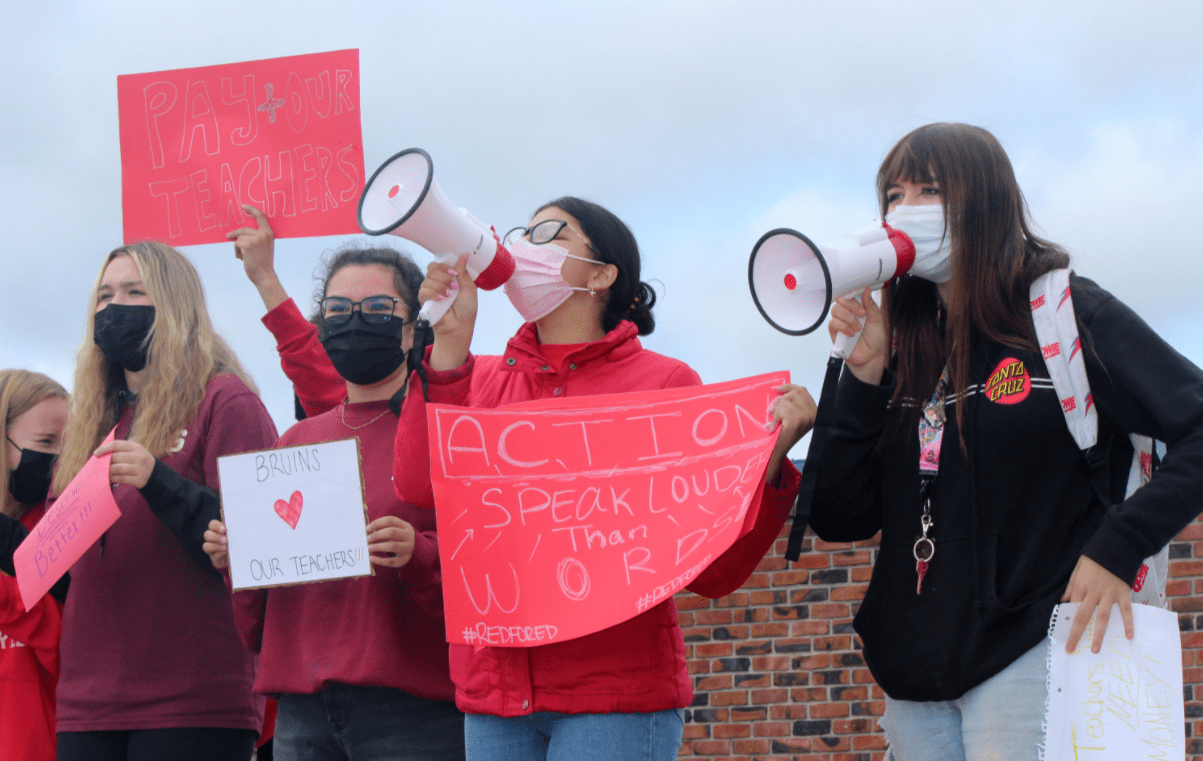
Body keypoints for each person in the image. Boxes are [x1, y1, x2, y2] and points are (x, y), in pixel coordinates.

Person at [810, 123, 1203, 761]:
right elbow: (837, 513)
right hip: (916, 679)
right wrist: (864, 378)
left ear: (985, 201)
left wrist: (1118, 546)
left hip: (1037, 652)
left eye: (930, 190)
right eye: (894, 194)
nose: (905, 209)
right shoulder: (907, 337)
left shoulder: (1063, 313)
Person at [391, 196, 814, 760]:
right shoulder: (479, 377)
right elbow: (419, 487)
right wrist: (448, 349)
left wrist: (770, 457)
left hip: (615, 696)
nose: (525, 247)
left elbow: (712, 571)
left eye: (551, 234)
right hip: (496, 698)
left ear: (602, 273)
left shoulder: (664, 385)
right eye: (524, 232)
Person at [202, 243, 465, 760]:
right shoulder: (294, 442)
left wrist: (420, 551)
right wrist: (237, 559)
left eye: (378, 309)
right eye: (340, 310)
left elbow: (485, 567)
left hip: (414, 712)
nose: (356, 321)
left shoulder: (445, 426)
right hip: (303, 712)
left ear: (413, 327)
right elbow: (261, 616)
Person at [45, 241, 277, 761]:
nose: (113, 308)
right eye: (103, 296)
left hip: (192, 700)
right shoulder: (89, 423)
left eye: (133, 292)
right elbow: (59, 565)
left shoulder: (224, 401)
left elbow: (264, 546)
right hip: (87, 703)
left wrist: (158, 482)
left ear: (174, 304)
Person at [0, 369, 69, 761]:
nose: (59, 459)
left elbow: (74, 651)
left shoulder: (58, 528)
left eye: (68, 443)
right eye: (45, 442)